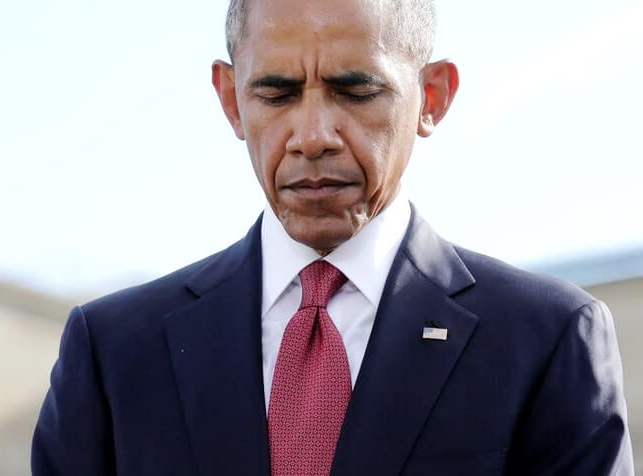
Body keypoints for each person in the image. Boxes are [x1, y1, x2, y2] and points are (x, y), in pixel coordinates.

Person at [31, 0, 634, 474]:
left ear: (432, 97)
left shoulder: (546, 339)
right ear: (230, 100)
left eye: (355, 90)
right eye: (276, 92)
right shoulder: (112, 354)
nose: (312, 134)